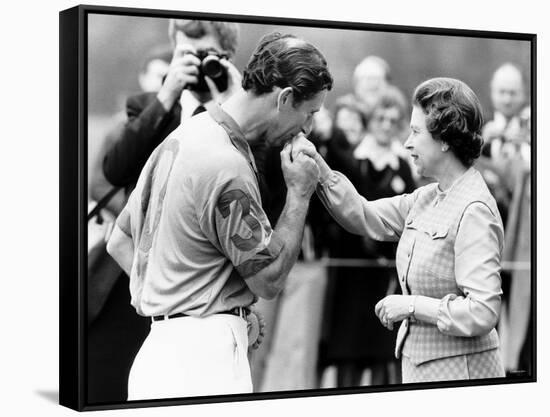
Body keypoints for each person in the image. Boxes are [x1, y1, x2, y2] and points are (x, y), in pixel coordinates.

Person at [106, 32, 333, 399]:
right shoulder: (227, 164)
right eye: (309, 113)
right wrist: (299, 194)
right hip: (203, 362)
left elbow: (118, 241)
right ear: (286, 98)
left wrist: (168, 303)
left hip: (156, 353)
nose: (307, 128)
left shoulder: (180, 137)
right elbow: (269, 280)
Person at [294, 77, 506, 383]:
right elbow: (362, 214)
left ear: (445, 139)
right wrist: (318, 166)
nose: (407, 143)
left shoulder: (474, 209)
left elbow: (482, 311)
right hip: (421, 372)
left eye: (416, 131)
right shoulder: (425, 197)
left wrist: (411, 305)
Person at [320, 86, 416, 387]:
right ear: (370, 121)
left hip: (384, 274)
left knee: (380, 354)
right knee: (347, 350)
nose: (386, 126)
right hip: (351, 272)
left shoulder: (403, 165)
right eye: (380, 119)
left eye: (393, 120)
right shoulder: (353, 160)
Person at [102, 19, 242, 188]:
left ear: (229, 57)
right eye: (188, 55)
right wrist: (167, 95)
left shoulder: (242, 113)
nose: (196, 64)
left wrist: (235, 111)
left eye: (207, 55)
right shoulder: (146, 106)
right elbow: (116, 173)